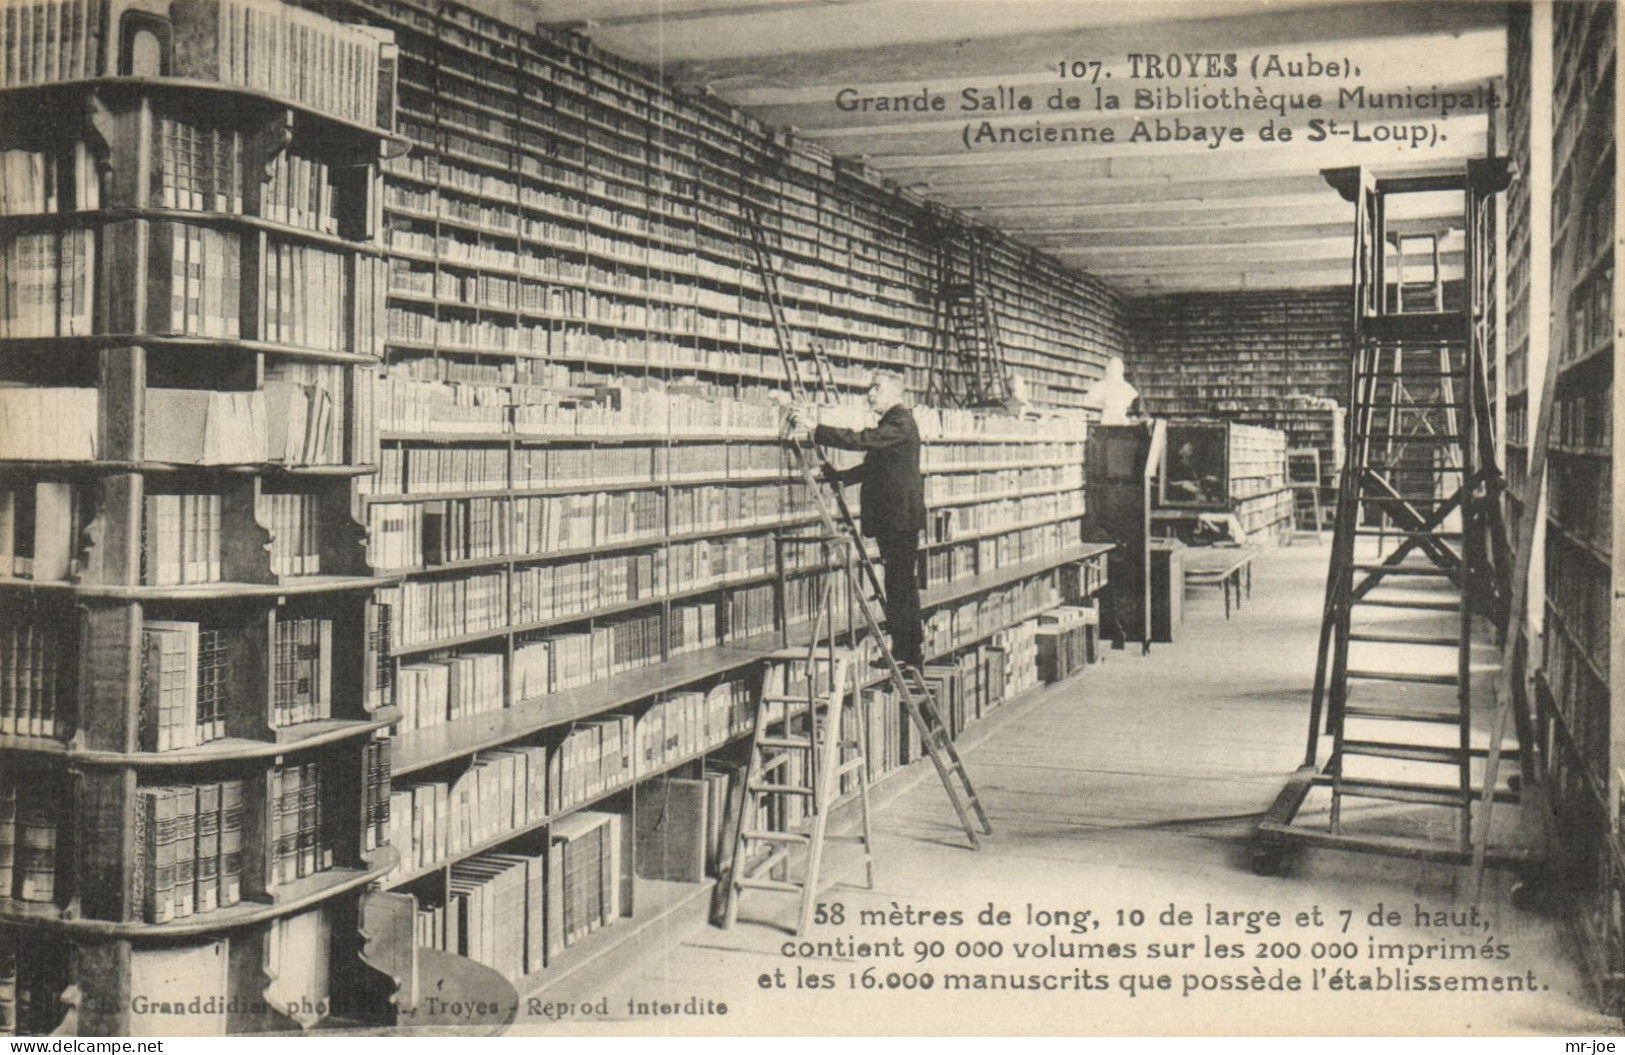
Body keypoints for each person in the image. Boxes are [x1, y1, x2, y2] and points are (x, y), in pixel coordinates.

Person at [788, 372, 926, 669]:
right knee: (899, 585)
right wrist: (839, 477)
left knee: (900, 586)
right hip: (896, 519)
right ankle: (907, 650)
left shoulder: (901, 423)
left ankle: (908, 653)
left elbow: (862, 441)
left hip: (900, 519)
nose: (870, 394)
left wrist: (816, 429)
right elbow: (873, 468)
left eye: (875, 388)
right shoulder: (892, 425)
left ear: (893, 392)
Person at [1081, 355, 1140, 424]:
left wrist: (1134, 415)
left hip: (1120, 420)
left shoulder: (1125, 386)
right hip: (1108, 420)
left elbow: (1135, 397)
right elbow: (1091, 399)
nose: (1114, 371)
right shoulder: (1102, 385)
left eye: (1116, 368)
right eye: (1112, 368)